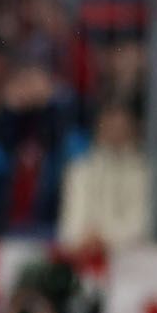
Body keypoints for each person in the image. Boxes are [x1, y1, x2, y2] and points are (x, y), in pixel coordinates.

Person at [56, 104, 150, 254]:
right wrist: (84, 239)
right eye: (110, 126)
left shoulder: (145, 173)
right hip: (82, 252)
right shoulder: (80, 170)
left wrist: (105, 239)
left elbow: (142, 223)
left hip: (131, 257)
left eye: (121, 127)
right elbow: (71, 220)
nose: (115, 133)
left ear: (133, 130)